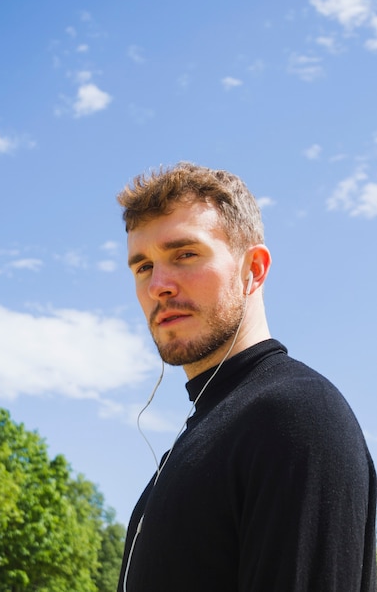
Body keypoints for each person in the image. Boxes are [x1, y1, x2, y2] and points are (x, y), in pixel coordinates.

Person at [116, 162, 376, 592]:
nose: (158, 284)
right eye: (142, 266)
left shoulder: (296, 416)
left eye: (185, 254)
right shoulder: (202, 432)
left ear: (253, 269)